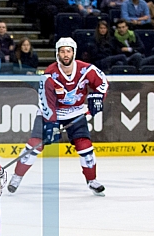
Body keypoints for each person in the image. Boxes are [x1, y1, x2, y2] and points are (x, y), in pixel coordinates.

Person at [7, 37, 109, 196]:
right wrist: (51, 124)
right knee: (35, 144)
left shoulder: (86, 70)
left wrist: (97, 98)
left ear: (73, 53)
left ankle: (92, 181)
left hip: (75, 112)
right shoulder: (49, 74)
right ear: (57, 54)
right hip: (50, 112)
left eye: (68, 51)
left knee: (85, 146)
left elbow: (102, 83)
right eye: (62, 51)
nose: (65, 54)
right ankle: (17, 176)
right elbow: (46, 102)